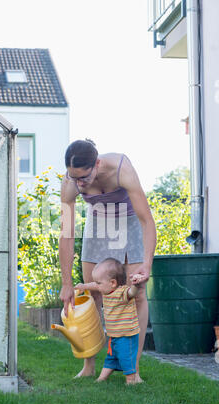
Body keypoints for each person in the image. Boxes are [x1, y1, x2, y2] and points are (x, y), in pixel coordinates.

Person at [59, 139, 156, 381]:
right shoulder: (70, 183)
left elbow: (147, 220)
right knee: (91, 293)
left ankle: (133, 369)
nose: (78, 184)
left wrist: (147, 263)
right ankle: (89, 365)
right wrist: (66, 282)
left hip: (130, 220)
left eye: (83, 177)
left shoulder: (122, 168)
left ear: (97, 164)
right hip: (98, 222)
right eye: (74, 178)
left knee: (138, 293)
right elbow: (66, 233)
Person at [74, 258, 144, 384]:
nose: (97, 286)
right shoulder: (106, 291)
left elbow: (132, 292)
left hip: (126, 336)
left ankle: (131, 380)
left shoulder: (122, 292)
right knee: (111, 358)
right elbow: (94, 285)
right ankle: (101, 379)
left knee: (126, 359)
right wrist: (83, 286)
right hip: (114, 336)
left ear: (112, 283)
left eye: (99, 283)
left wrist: (136, 285)